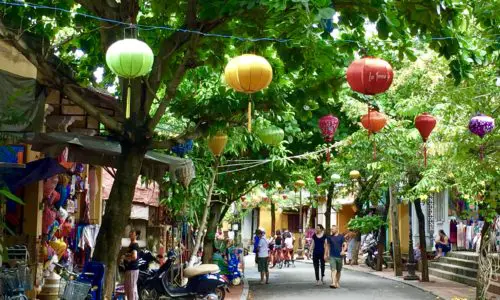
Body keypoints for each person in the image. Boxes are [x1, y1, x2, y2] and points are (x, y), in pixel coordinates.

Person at [124, 230, 140, 300]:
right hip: (129, 269)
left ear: (136, 236)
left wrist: (125, 258)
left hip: (132, 269)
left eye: (132, 234)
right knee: (130, 288)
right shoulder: (131, 244)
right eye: (130, 233)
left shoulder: (134, 245)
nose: (130, 234)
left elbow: (134, 257)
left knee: (131, 289)